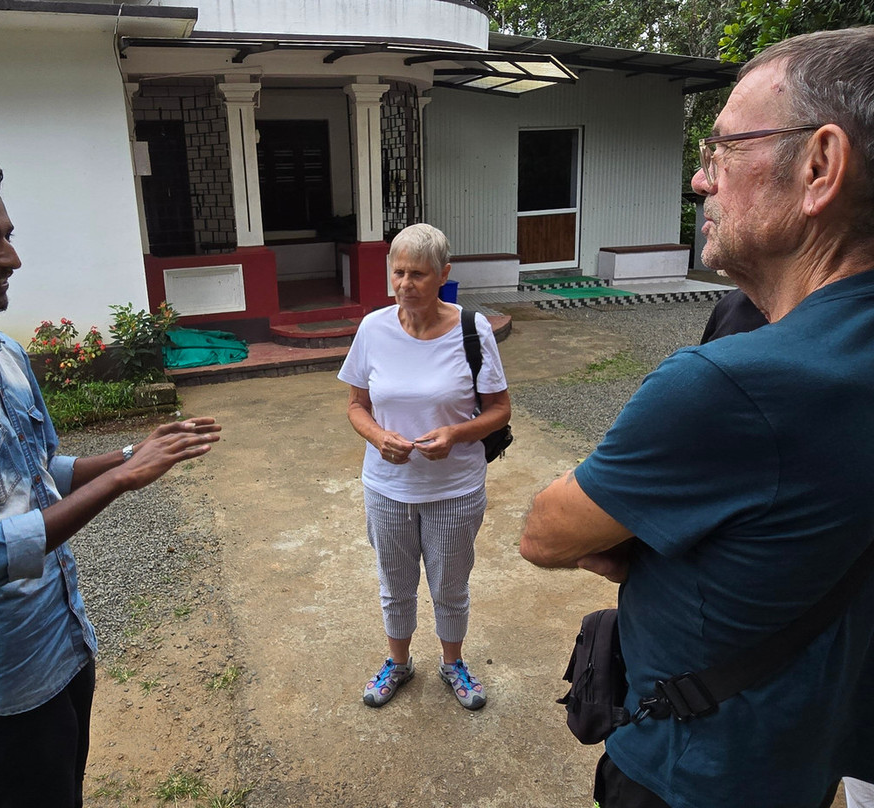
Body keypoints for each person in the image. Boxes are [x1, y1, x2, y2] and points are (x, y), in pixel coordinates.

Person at [519, 26, 874, 808]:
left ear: (820, 166)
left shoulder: (734, 386)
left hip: (693, 770)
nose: (699, 177)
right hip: (809, 754)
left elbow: (547, 532)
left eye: (722, 148)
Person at [0, 156, 221, 807]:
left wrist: (129, 454)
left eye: (7, 235)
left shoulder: (6, 353)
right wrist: (122, 481)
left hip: (66, 636)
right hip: (8, 672)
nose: (11, 257)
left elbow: (38, 474)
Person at [337, 223, 511, 710]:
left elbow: (499, 409)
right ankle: (398, 662)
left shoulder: (473, 330)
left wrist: (455, 434)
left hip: (455, 487)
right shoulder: (373, 329)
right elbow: (356, 405)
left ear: (443, 274)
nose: (405, 283)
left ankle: (453, 663)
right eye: (398, 272)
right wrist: (378, 436)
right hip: (388, 485)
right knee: (395, 583)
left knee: (450, 585)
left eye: (418, 273)